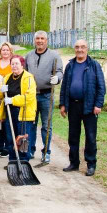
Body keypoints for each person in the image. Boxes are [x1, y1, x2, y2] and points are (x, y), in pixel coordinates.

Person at [59, 39, 106, 176]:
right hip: (73, 105)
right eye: (77, 47)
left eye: (83, 47)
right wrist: (63, 104)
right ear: (74, 49)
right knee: (73, 136)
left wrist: (98, 104)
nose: (80, 49)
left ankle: (91, 164)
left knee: (90, 137)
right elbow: (64, 87)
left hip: (90, 107)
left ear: (87, 49)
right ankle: (74, 163)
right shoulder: (70, 65)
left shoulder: (94, 65)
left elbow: (101, 87)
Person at [24, 30, 63, 166]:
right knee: (31, 124)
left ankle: (46, 152)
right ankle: (30, 150)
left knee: (46, 126)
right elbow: (24, 73)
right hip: (31, 96)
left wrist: (57, 78)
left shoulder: (54, 56)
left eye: (42, 38)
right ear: (34, 41)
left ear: (46, 40)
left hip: (47, 95)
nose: (40, 41)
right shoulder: (28, 55)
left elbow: (59, 71)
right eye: (37, 38)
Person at [0, 56, 37, 166]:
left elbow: (29, 97)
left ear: (22, 65)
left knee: (23, 139)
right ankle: (13, 161)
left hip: (23, 113)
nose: (14, 66)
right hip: (9, 112)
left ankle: (24, 162)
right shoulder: (7, 78)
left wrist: (12, 100)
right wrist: (1, 90)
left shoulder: (28, 78)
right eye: (12, 64)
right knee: (10, 138)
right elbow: (0, 96)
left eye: (16, 64)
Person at [0, 42, 13, 155]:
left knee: (7, 123)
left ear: (11, 51)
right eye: (3, 50)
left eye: (7, 50)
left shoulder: (13, 63)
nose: (5, 52)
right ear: (0, 51)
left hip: (9, 96)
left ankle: (7, 147)